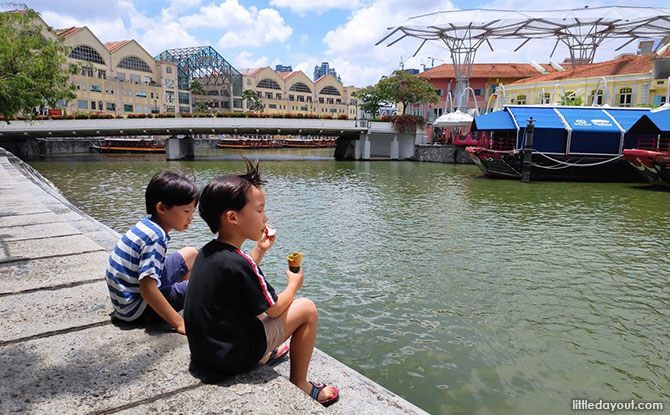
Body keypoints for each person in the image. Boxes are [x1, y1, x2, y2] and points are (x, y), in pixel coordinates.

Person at [184, 158, 339, 407]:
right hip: (231, 359)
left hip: (207, 355)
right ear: (232, 217)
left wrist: (260, 250)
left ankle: (264, 353)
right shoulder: (240, 262)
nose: (265, 217)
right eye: (259, 210)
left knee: (249, 305)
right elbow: (275, 308)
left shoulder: (208, 252)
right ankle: (301, 383)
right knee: (306, 308)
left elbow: (244, 283)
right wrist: (294, 284)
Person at [105, 169, 199, 335]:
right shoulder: (156, 238)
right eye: (186, 211)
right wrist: (178, 324)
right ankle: (178, 315)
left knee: (191, 253)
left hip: (126, 302)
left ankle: (178, 303)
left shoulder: (147, 225)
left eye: (193, 212)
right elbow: (147, 289)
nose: (191, 217)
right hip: (137, 310)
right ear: (162, 208)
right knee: (200, 284)